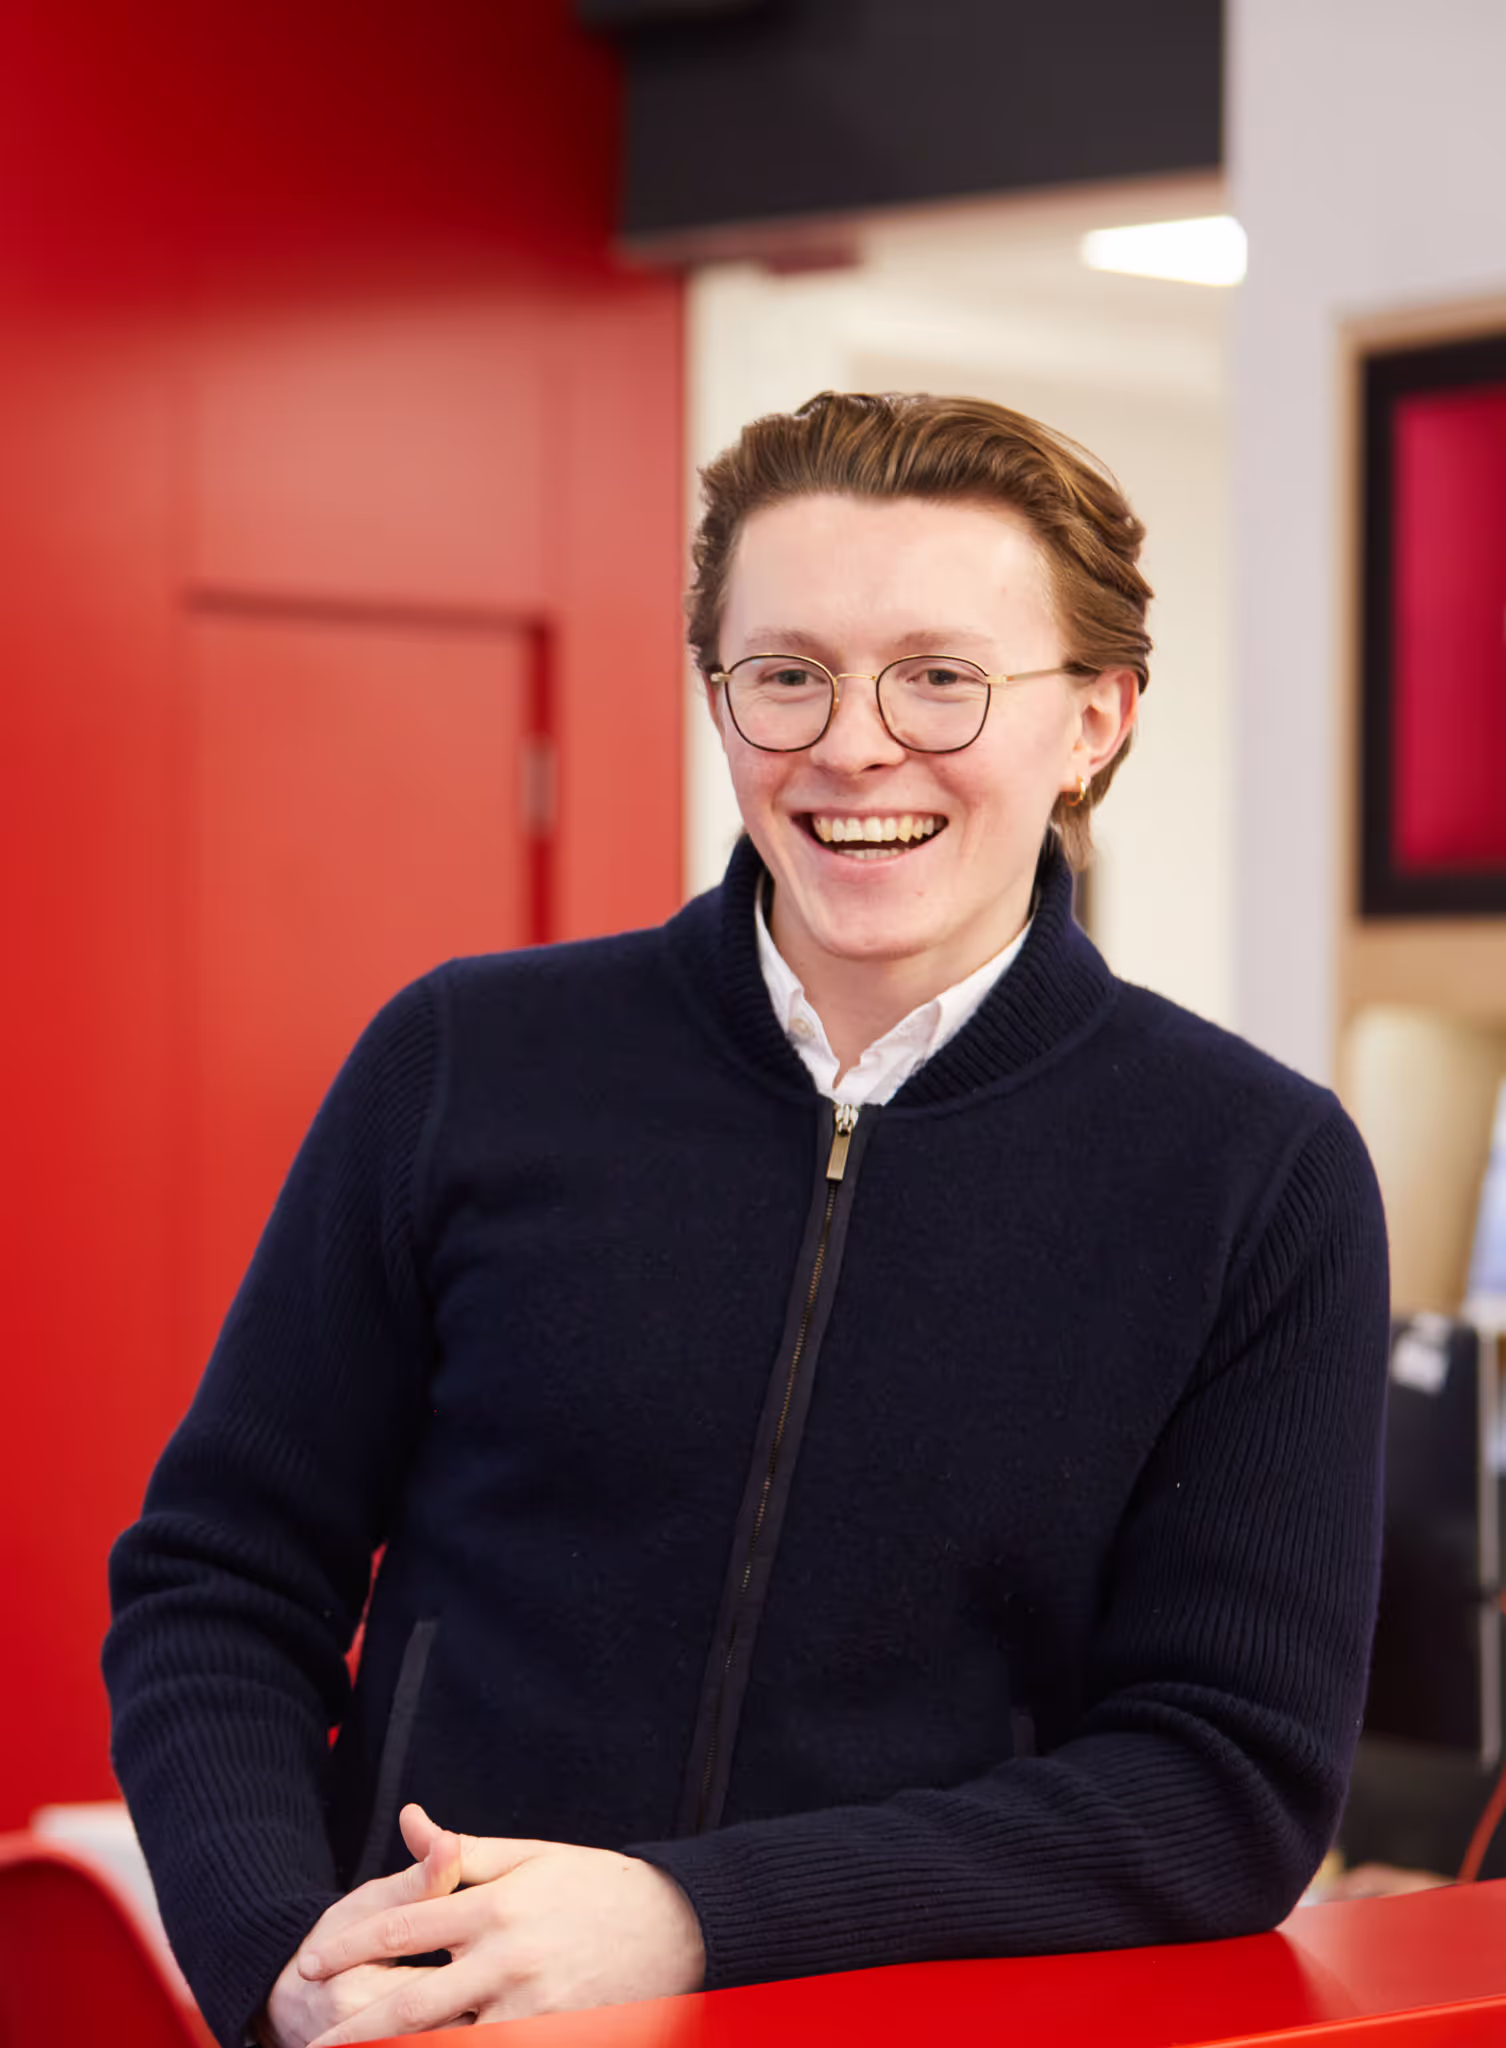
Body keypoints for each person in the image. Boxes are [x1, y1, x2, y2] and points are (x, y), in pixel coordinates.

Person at [105, 391, 1391, 2048]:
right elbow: (219, 1576)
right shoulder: (467, 1060)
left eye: (940, 676)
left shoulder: (1256, 1174)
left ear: (1093, 719)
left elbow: (1225, 1783)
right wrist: (284, 1965)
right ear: (722, 701)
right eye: (785, 674)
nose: (852, 744)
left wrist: (689, 1919)